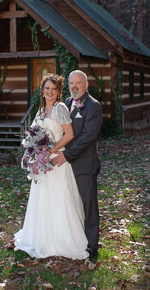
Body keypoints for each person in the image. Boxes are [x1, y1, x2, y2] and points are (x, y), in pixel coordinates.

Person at [14, 74, 89, 260]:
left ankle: (63, 240)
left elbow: (69, 134)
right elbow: (34, 134)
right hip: (42, 162)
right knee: (42, 199)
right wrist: (34, 151)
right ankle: (42, 238)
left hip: (56, 160)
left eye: (54, 89)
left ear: (58, 92)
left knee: (59, 198)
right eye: (47, 88)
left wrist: (51, 151)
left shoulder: (60, 108)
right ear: (42, 90)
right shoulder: (40, 111)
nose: (50, 92)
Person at [52, 70, 102, 259]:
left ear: (86, 85)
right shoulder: (65, 103)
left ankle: (91, 245)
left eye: (78, 83)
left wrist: (67, 154)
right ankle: (75, 240)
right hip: (65, 165)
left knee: (88, 203)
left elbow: (88, 137)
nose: (74, 86)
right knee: (71, 203)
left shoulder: (93, 106)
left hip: (83, 164)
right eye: (71, 83)